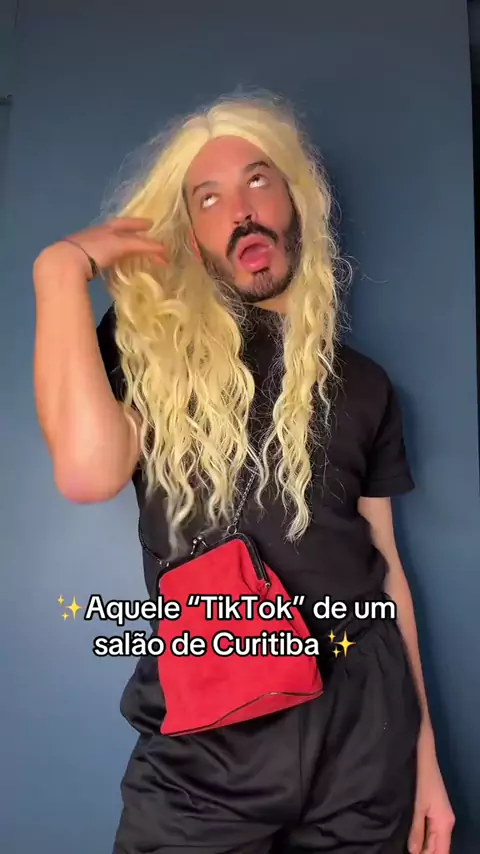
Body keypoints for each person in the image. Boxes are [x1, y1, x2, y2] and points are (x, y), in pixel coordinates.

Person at [33, 94, 455, 854]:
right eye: (209, 198)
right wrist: (59, 272)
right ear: (191, 236)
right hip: (205, 746)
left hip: (363, 739)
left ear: (294, 198)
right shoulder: (150, 351)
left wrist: (425, 762)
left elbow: (387, 572)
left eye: (259, 181)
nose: (241, 210)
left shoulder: (365, 385)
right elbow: (88, 473)